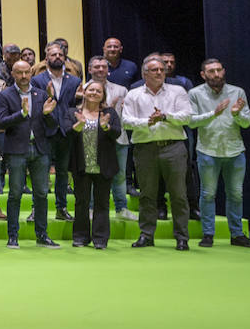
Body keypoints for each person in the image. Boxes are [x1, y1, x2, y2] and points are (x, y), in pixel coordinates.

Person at [122, 55, 193, 248]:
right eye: (155, 70)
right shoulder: (134, 94)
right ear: (145, 73)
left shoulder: (177, 91)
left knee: (179, 194)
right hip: (145, 148)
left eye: (162, 69)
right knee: (147, 194)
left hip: (174, 147)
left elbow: (187, 116)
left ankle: (182, 237)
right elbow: (126, 121)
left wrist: (165, 116)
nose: (160, 72)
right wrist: (148, 121)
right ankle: (146, 235)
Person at [0, 60, 62, 249]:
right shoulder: (5, 95)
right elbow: (0, 122)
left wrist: (48, 114)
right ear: (12, 74)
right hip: (16, 150)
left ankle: (42, 235)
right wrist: (21, 114)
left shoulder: (40, 94)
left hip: (40, 149)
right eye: (19, 73)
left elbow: (53, 124)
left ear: (31, 73)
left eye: (26, 73)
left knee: (41, 193)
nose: (23, 76)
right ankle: (13, 236)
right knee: (14, 194)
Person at [188, 59, 250, 248]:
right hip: (207, 150)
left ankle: (237, 235)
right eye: (211, 71)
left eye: (219, 70)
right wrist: (213, 114)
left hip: (234, 150)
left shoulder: (237, 92)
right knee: (208, 194)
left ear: (224, 71)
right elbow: (191, 122)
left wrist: (236, 114)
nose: (216, 74)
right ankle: (208, 234)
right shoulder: (195, 94)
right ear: (203, 74)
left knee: (236, 194)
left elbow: (247, 122)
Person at [67, 80, 123, 249]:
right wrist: (78, 125)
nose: (94, 93)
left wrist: (106, 127)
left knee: (102, 203)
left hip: (104, 165)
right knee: (81, 202)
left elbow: (117, 133)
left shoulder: (109, 113)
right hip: (81, 165)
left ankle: (100, 239)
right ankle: (80, 237)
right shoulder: (73, 112)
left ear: (103, 95)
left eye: (98, 91)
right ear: (84, 93)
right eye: (91, 90)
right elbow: (66, 135)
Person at [32, 43, 78, 222]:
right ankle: (37, 209)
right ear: (46, 59)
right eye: (53, 55)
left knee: (62, 173)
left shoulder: (74, 81)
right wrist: (48, 95)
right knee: (41, 172)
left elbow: (74, 106)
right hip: (45, 131)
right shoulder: (38, 80)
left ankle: (61, 208)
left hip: (66, 132)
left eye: (60, 54)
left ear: (65, 57)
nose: (57, 57)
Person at [85, 56, 134, 221]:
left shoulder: (121, 90)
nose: (100, 70)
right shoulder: (83, 89)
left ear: (108, 70)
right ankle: (91, 208)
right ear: (90, 69)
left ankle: (121, 208)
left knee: (120, 175)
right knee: (93, 174)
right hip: (92, 138)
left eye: (103, 67)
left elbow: (126, 115)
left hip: (117, 138)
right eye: (96, 67)